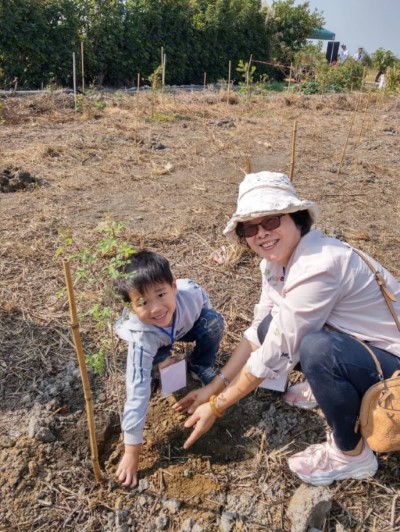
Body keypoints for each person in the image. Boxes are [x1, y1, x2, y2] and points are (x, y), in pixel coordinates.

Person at [173, 171, 400, 486]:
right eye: (250, 228)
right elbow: (259, 331)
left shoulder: (319, 264)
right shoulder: (274, 264)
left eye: (271, 221)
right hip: (361, 348)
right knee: (272, 327)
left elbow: (276, 352)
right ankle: (331, 388)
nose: (261, 234)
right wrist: (214, 386)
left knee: (317, 349)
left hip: (392, 364)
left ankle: (352, 454)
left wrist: (217, 406)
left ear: (297, 218)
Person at [113, 250, 224, 487]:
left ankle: (200, 364)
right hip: (155, 339)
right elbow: (137, 389)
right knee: (157, 354)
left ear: (174, 286)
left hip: (184, 326)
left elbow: (205, 305)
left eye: (161, 294)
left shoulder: (190, 294)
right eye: (142, 302)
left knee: (213, 321)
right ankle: (160, 363)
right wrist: (132, 451)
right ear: (131, 308)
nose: (155, 308)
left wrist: (203, 330)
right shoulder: (140, 338)